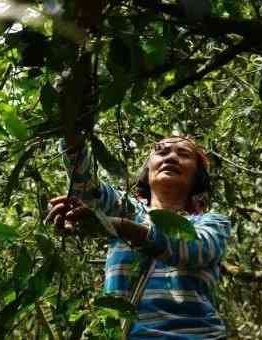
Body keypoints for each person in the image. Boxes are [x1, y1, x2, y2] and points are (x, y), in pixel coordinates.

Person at [45, 134, 231, 339]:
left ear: (197, 175)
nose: (170, 157)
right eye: (161, 151)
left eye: (183, 154)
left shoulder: (212, 223)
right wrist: (73, 131)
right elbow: (89, 191)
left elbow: (195, 249)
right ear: (148, 169)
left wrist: (119, 227)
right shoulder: (126, 210)